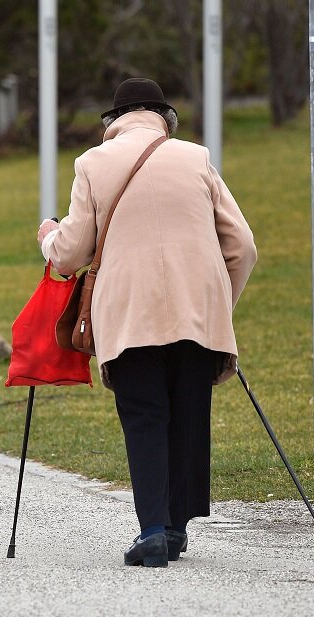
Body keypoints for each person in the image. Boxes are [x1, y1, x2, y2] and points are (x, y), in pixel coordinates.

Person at [36, 77, 257, 568]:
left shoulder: (92, 164)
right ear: (166, 120)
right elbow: (242, 247)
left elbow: (70, 254)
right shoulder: (195, 157)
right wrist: (218, 307)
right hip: (198, 315)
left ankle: (153, 529)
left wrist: (48, 236)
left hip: (131, 312)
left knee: (145, 415)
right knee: (188, 414)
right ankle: (177, 527)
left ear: (111, 124)